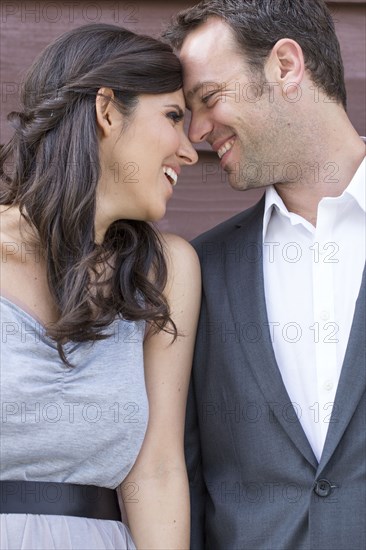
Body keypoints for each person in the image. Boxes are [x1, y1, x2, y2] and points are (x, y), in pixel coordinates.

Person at [162, 0, 366, 548]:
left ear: (286, 65)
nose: (199, 130)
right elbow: (182, 476)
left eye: (208, 98)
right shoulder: (199, 273)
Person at [0, 23, 201, 550]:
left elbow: (156, 472)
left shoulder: (165, 272)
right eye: (174, 116)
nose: (189, 151)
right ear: (107, 109)